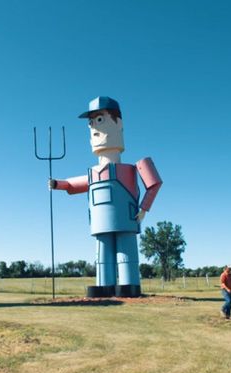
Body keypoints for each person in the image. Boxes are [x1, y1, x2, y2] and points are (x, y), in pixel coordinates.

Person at [50, 96, 162, 298]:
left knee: (126, 254)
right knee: (102, 255)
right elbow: (74, 185)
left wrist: (143, 209)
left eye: (100, 120)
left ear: (119, 124)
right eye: (91, 123)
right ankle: (104, 285)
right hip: (100, 222)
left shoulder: (130, 168)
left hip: (126, 219)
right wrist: (58, 184)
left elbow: (154, 183)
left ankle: (129, 285)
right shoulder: (93, 172)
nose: (94, 127)